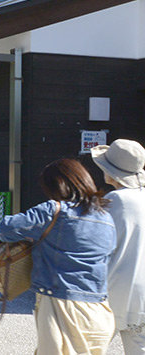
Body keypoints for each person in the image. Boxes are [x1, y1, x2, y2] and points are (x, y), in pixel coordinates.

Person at [0, 159, 116, 355]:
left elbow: (6, 229)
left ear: (56, 186)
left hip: (62, 306)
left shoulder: (54, 210)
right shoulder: (106, 217)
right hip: (99, 309)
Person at [92, 139, 145, 354]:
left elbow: (94, 241)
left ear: (111, 172)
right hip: (141, 294)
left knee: (90, 347)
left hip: (113, 291)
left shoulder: (115, 199)